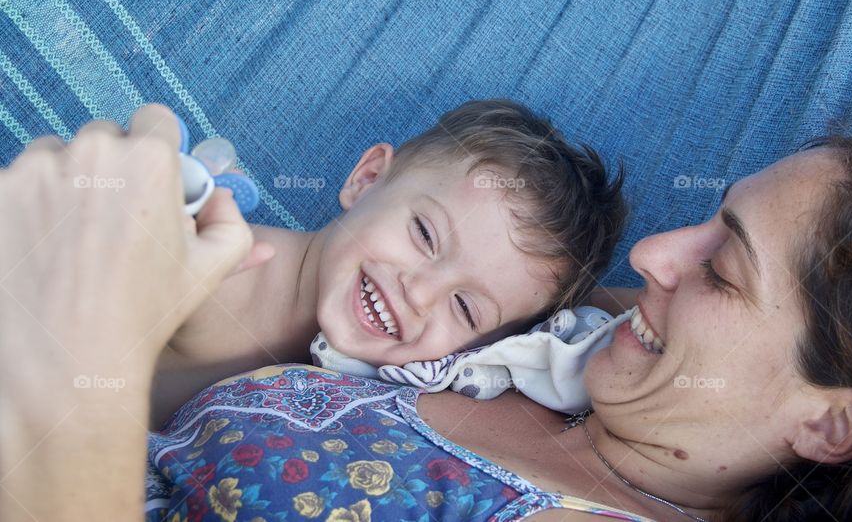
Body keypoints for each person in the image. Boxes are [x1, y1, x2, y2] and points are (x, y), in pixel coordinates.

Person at [3, 107, 852, 521]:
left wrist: (65, 382)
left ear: (832, 422)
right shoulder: (571, 357)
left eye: (724, 270)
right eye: (709, 221)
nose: (656, 255)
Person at [152, 99, 627, 425]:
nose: (420, 293)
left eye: (465, 308)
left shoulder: (361, 401)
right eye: (424, 235)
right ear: (368, 178)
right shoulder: (206, 258)